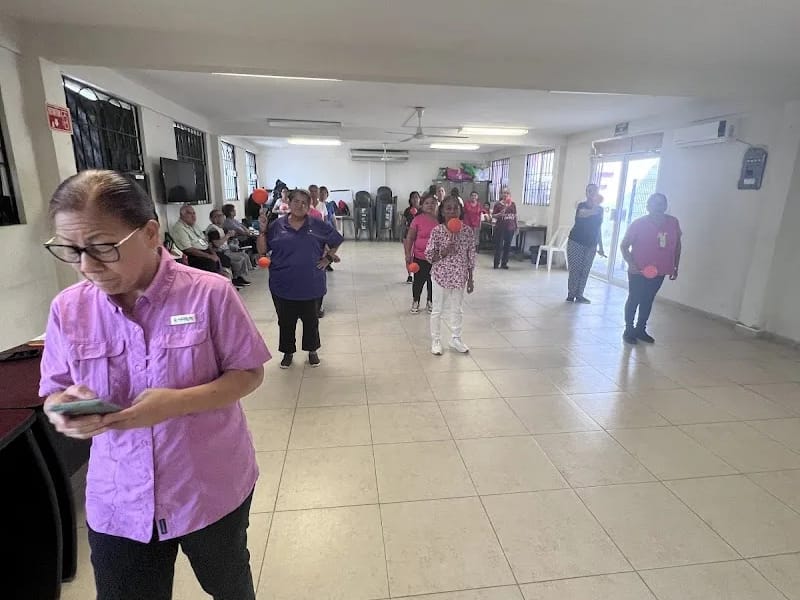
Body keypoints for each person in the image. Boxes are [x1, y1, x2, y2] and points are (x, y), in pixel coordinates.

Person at [40, 170, 270, 600]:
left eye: (103, 248)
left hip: (207, 484)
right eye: (71, 251)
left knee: (229, 585)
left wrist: (177, 403)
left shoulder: (209, 293)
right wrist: (65, 409)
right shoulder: (68, 309)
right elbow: (54, 390)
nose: (88, 267)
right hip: (119, 496)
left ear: (149, 233)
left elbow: (248, 373)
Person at [258, 188, 344, 368]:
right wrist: (262, 230)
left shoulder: (317, 224)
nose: (300, 205)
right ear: (288, 203)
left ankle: (312, 350)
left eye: (304, 202)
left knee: (311, 321)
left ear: (309, 206)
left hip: (311, 283)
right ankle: (288, 352)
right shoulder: (277, 226)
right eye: (296, 201)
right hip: (283, 283)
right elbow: (262, 251)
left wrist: (328, 258)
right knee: (286, 322)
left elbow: (336, 239)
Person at [620, 193, 682, 345]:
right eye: (654, 203)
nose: (658, 206)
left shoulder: (673, 223)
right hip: (638, 270)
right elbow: (624, 246)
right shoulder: (638, 224)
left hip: (660, 270)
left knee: (648, 299)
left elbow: (677, 245)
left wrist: (675, 266)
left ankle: (641, 329)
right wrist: (632, 265)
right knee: (635, 298)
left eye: (661, 203)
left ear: (666, 206)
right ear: (648, 206)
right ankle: (629, 329)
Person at [425, 195, 476, 355]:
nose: (452, 211)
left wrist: (470, 278)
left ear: (461, 210)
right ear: (442, 211)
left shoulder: (467, 231)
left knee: (457, 310)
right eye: (448, 208)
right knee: (437, 310)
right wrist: (444, 252)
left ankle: (456, 338)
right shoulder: (437, 231)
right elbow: (429, 255)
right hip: (441, 276)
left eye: (456, 207)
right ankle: (436, 341)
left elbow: (471, 255)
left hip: (460, 277)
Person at [566, 184, 607, 303]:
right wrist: (595, 206)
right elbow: (583, 214)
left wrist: (601, 247)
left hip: (591, 243)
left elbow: (598, 228)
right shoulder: (581, 206)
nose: (591, 193)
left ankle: (579, 295)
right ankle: (571, 294)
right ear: (586, 193)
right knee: (575, 269)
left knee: (585, 270)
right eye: (589, 191)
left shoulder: (601, 210)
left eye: (594, 191)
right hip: (576, 241)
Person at [405, 193, 438, 314]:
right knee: (418, 281)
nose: (430, 205)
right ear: (422, 205)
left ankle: (430, 301)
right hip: (419, 257)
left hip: (436, 258)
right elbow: (410, 238)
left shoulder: (440, 220)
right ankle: (416, 300)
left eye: (433, 203)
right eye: (427, 203)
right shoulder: (417, 219)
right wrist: (408, 254)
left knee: (433, 282)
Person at [170, 203, 221, 273]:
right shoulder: (179, 228)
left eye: (194, 213)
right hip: (194, 256)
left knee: (223, 257)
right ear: (182, 215)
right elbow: (189, 250)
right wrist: (209, 256)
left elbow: (206, 242)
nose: (193, 216)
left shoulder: (194, 225)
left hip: (205, 251)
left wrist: (213, 253)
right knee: (211, 263)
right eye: (190, 214)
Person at [207, 209, 252, 287]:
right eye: (218, 216)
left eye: (221, 215)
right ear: (213, 218)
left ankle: (238, 277)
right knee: (240, 258)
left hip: (227, 250)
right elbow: (217, 244)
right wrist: (227, 236)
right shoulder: (213, 229)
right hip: (219, 252)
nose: (221, 217)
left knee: (244, 256)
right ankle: (235, 279)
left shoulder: (221, 228)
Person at [492, 188, 518, 269]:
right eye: (504, 193)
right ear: (501, 194)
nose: (505, 194)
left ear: (509, 194)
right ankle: (496, 263)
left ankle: (504, 263)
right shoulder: (498, 204)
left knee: (507, 246)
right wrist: (499, 214)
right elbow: (493, 215)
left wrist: (516, 226)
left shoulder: (513, 204)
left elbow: (515, 216)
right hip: (500, 228)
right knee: (499, 246)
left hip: (510, 228)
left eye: (507, 193)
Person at [402, 191, 421, 283]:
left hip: (419, 237)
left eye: (417, 197)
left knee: (418, 256)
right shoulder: (407, 211)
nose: (415, 199)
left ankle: (417, 273)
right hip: (408, 236)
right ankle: (409, 275)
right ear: (410, 200)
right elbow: (402, 223)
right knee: (408, 256)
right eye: (413, 197)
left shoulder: (422, 211)